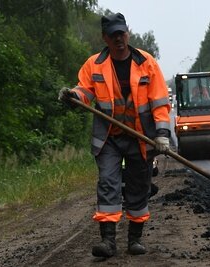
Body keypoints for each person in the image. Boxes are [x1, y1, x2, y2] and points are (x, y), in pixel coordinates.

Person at [58, 12, 171, 258]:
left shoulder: (147, 63)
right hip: (108, 137)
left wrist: (162, 134)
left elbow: (160, 102)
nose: (119, 39)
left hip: (140, 137)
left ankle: (135, 239)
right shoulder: (94, 64)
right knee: (108, 183)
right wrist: (74, 96)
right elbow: (84, 91)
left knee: (138, 186)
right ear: (105, 38)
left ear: (127, 33)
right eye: (113, 35)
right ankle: (108, 241)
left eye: (121, 33)